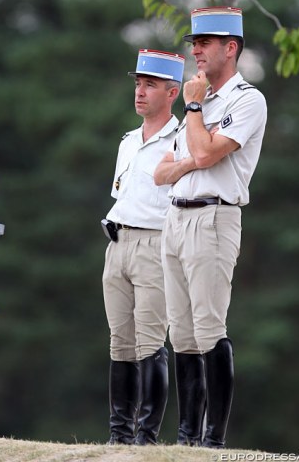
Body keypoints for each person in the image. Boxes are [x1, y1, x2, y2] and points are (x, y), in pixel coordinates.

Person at [154, 7, 267, 448]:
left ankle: (213, 441)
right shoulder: (195, 106)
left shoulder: (246, 99)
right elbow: (162, 173)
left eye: (204, 43)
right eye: (194, 43)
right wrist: (194, 154)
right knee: (179, 331)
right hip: (176, 217)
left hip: (214, 217)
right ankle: (186, 438)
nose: (195, 51)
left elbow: (202, 156)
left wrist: (196, 107)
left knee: (208, 328)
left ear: (231, 48)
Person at [102, 49, 184, 446]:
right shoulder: (128, 141)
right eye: (138, 83)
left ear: (173, 92)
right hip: (117, 242)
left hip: (155, 245)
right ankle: (119, 436)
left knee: (151, 342)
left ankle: (145, 439)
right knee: (120, 341)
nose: (139, 91)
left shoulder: (183, 140)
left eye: (150, 85)